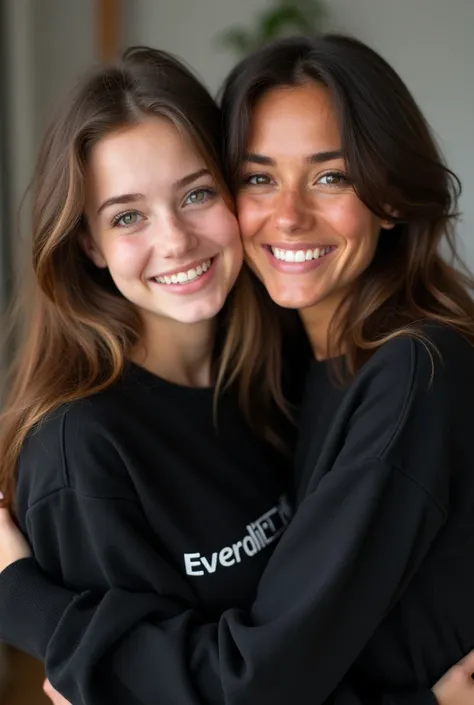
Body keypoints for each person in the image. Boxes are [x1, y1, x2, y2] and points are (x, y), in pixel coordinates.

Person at [0, 37, 474, 705]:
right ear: (88, 241)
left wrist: (24, 605)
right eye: (259, 177)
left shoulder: (364, 375)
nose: (288, 215)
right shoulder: (83, 452)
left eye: (330, 175)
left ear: (389, 195)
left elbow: (267, 670)